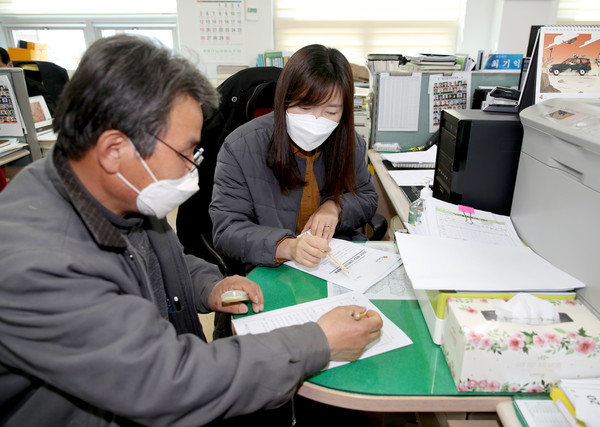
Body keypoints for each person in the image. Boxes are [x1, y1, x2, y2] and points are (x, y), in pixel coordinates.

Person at [0, 35, 383, 426]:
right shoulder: (39, 264)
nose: (191, 171)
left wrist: (207, 285)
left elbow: (160, 256)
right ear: (114, 150)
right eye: (186, 153)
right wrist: (316, 342)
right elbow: (167, 382)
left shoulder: (108, 190)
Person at [209, 44, 378, 269]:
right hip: (274, 265)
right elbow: (227, 230)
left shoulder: (348, 141)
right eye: (305, 108)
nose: (316, 121)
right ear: (285, 100)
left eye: (330, 112)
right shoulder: (240, 147)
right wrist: (288, 247)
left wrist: (335, 207)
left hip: (334, 259)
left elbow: (367, 196)